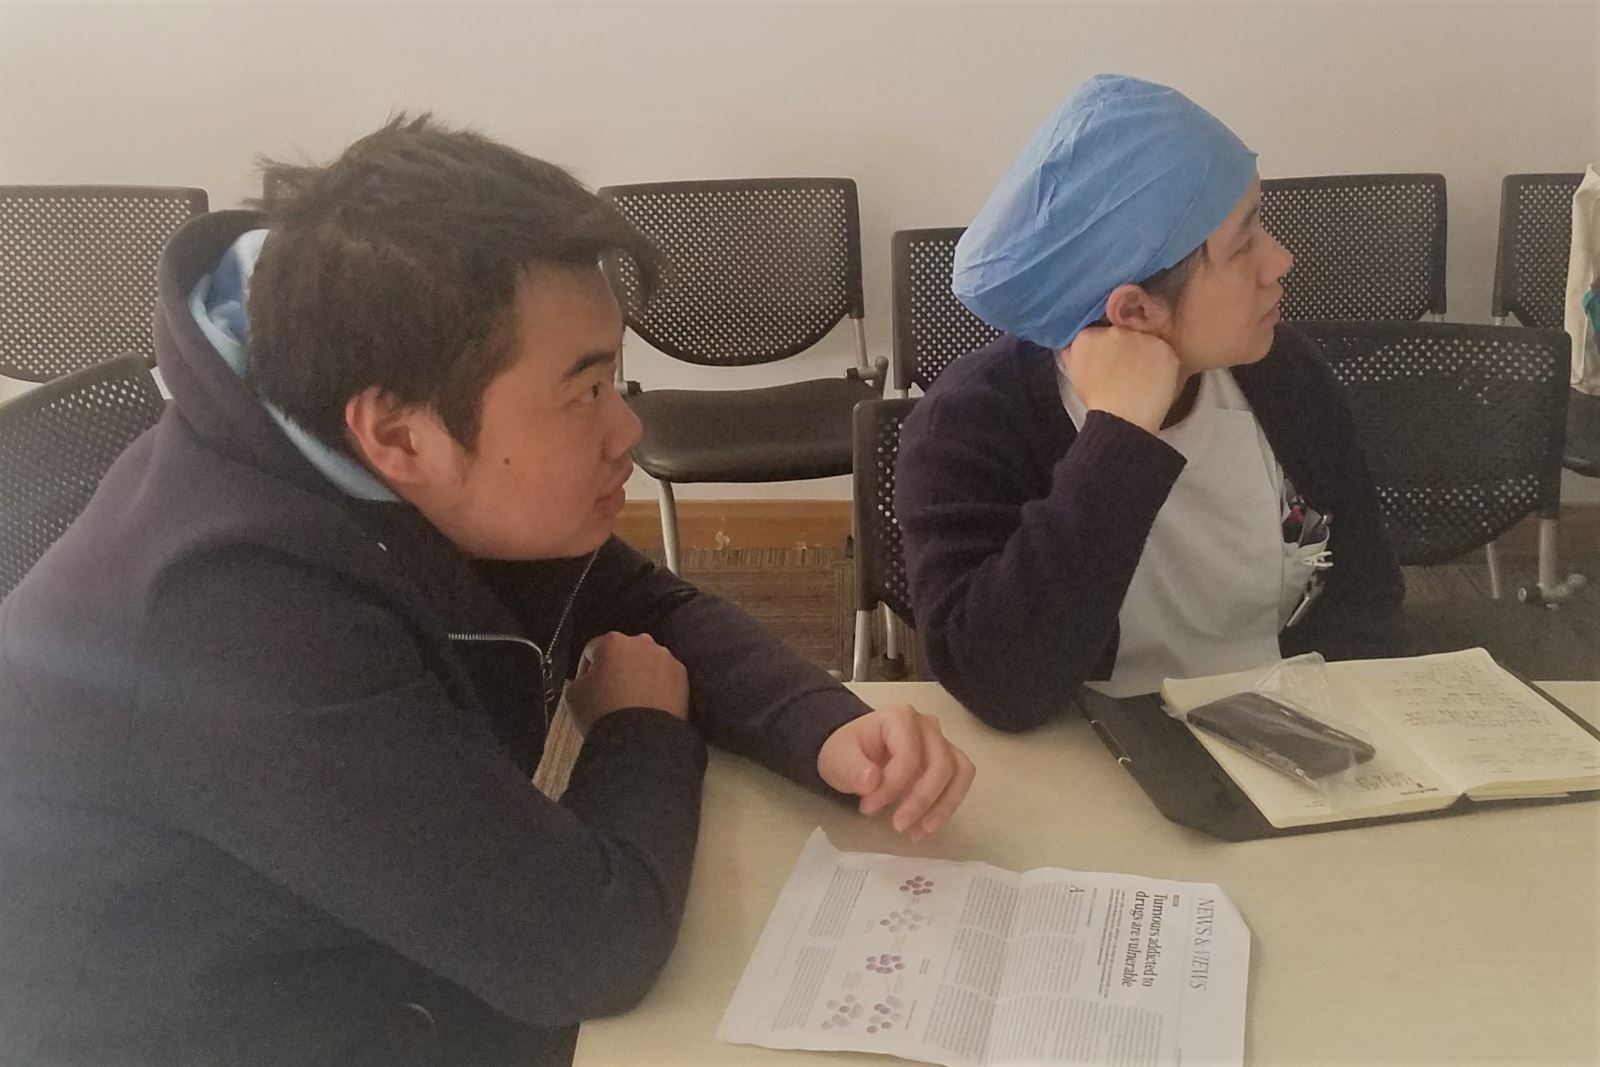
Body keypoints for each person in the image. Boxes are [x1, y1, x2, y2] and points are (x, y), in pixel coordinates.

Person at [0, 115, 974, 1066]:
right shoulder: (232, 622)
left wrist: (823, 726)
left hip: (360, 939)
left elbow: (647, 605)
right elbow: (584, 946)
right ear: (399, 435)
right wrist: (641, 725)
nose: (626, 430)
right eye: (584, 391)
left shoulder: (350, 423)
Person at [896, 74, 1404, 731]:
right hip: (1079, 749)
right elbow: (998, 686)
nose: (1281, 259)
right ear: (1135, 311)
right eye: (1244, 242)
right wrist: (1118, 437)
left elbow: (1368, 596)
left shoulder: (1283, 374)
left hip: (1285, 735)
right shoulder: (969, 424)